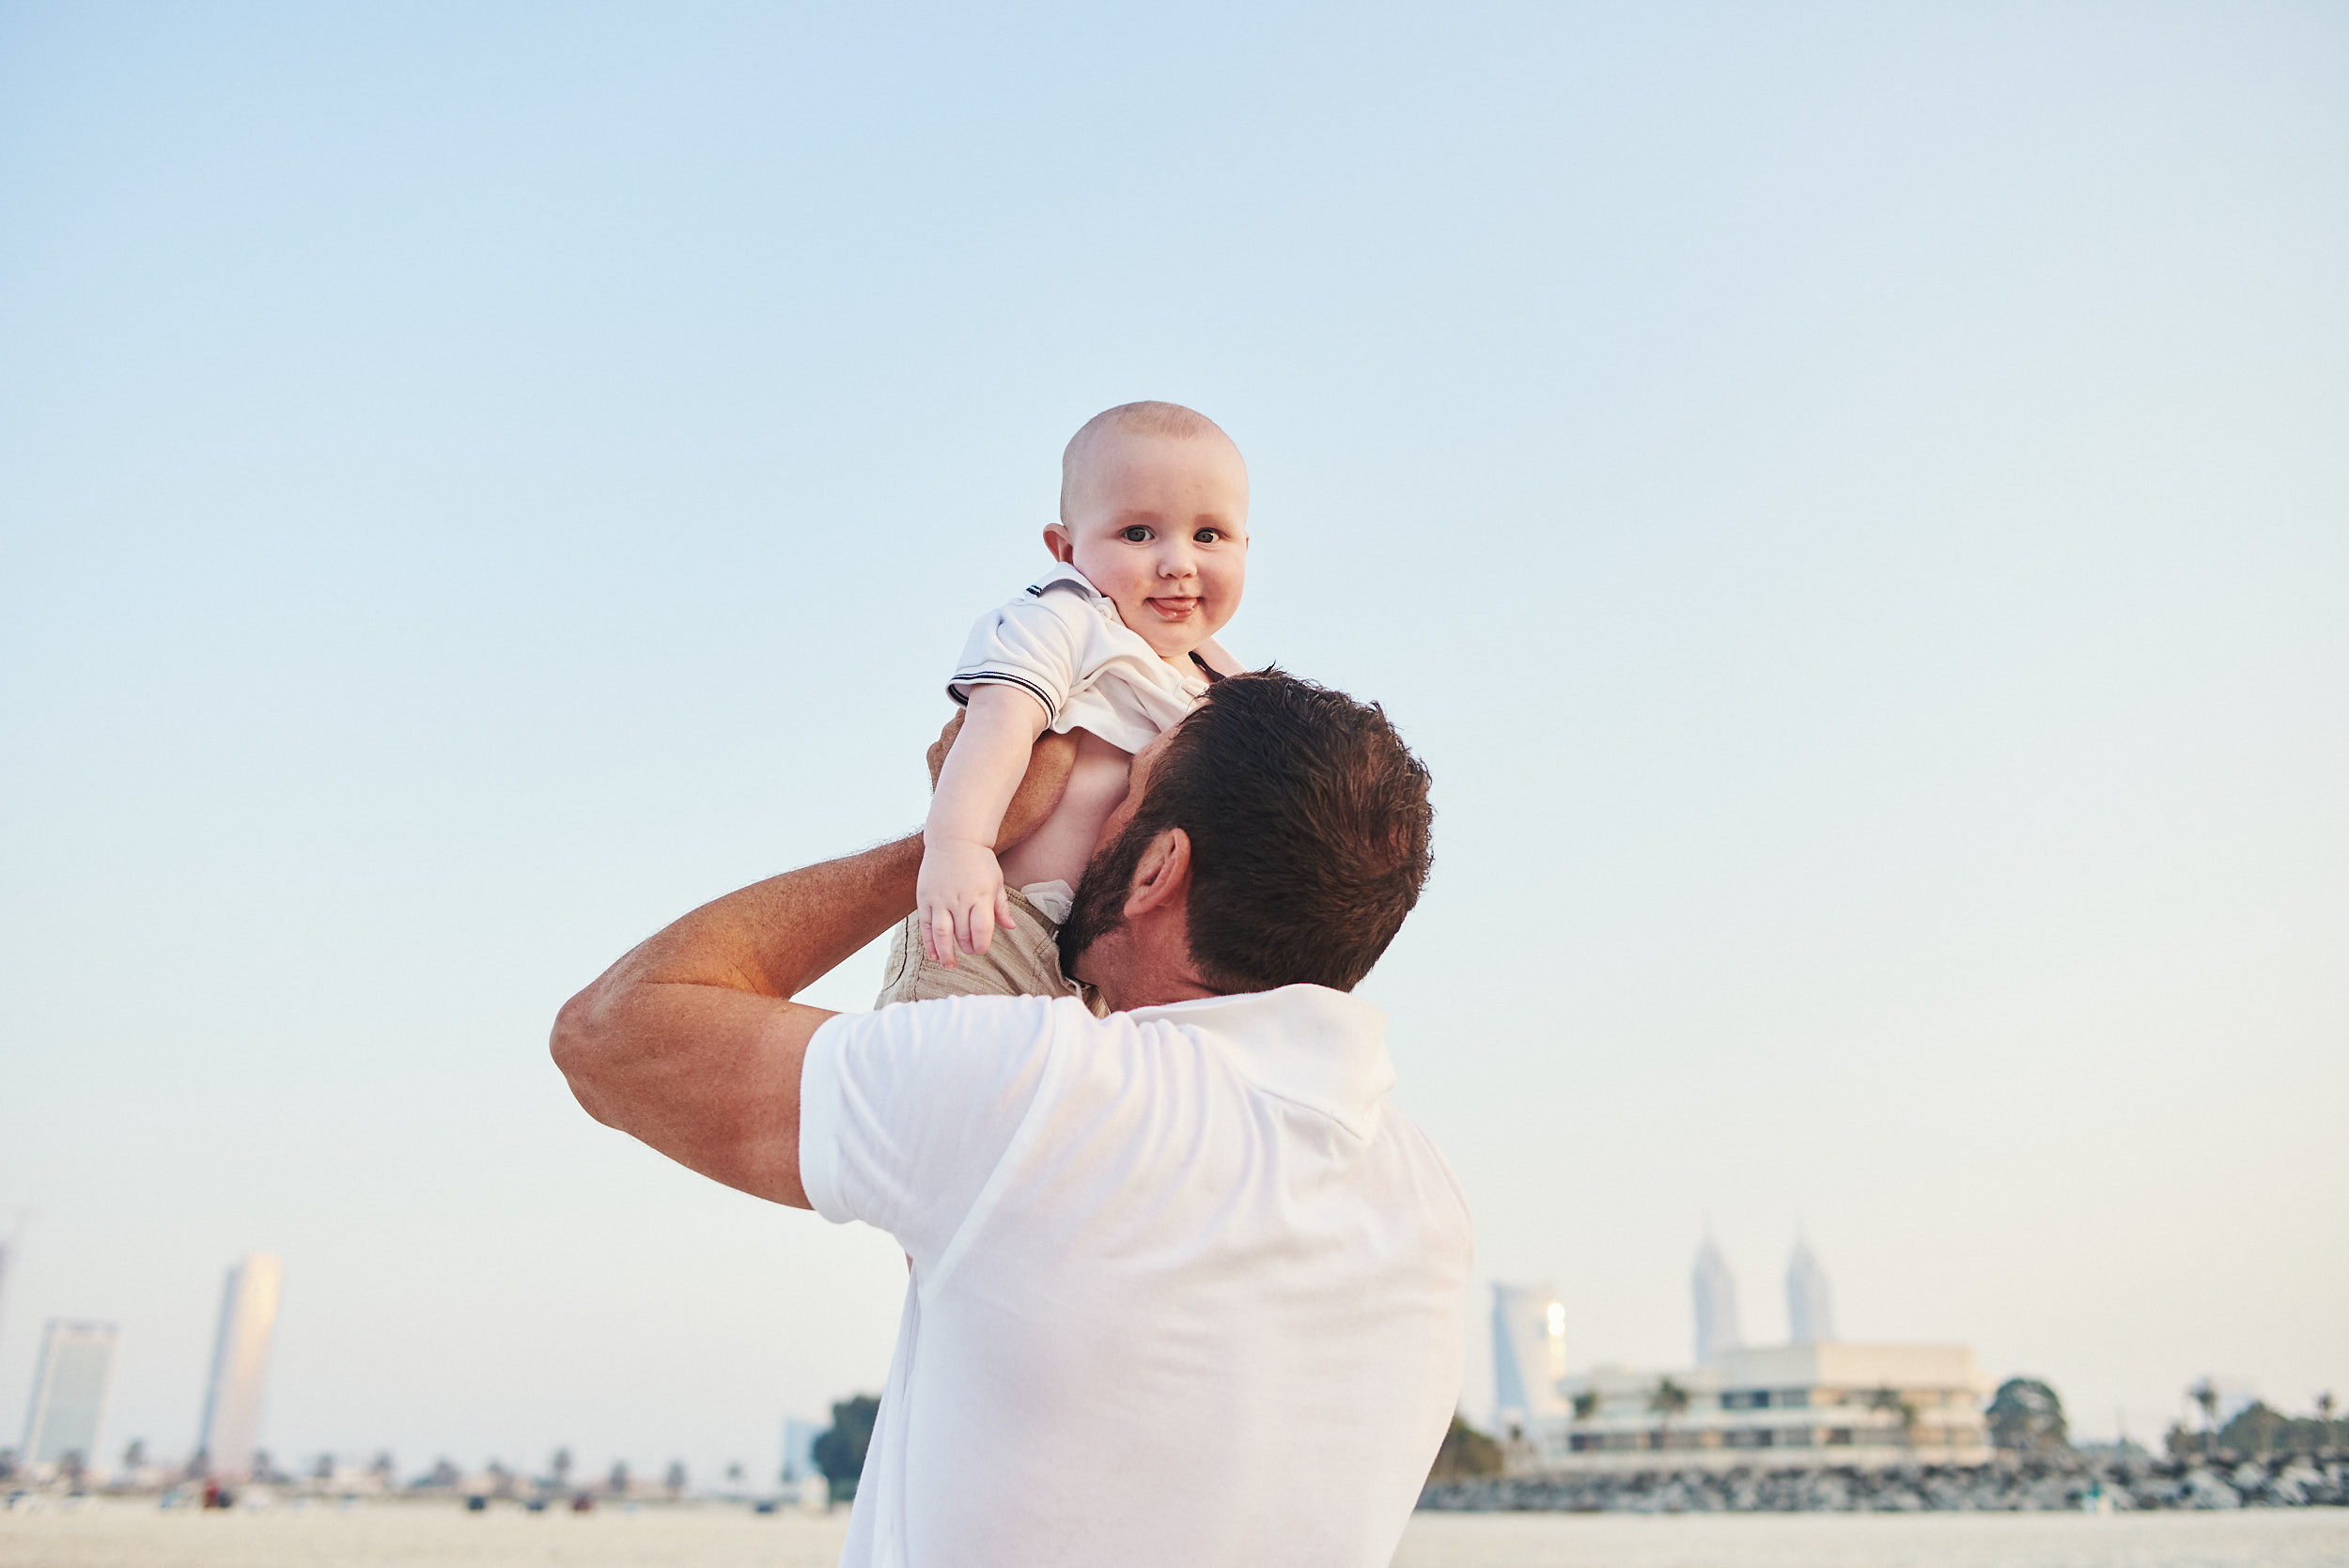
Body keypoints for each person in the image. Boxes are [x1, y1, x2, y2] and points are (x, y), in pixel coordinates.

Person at [552, 671, 1473, 1568]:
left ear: (1158, 868)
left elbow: (610, 1035)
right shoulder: (1431, 1205)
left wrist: (958, 843)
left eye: (1121, 791)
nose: (1092, 816)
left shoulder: (1048, 1090)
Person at [888, 399, 1248, 1013]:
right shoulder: (1066, 618)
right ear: (1066, 549)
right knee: (946, 1061)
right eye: (1138, 534)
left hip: (1101, 970)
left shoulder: (1224, 681)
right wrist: (960, 846)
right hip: (992, 921)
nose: (1178, 564)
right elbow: (1000, 724)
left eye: (1207, 535)